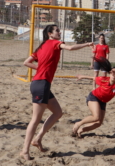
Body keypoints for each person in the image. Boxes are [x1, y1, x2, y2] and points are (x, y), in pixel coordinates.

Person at [20, 25, 93, 161]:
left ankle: (37, 139)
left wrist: (40, 68)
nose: (59, 32)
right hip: (41, 84)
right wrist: (87, 44)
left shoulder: (40, 47)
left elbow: (26, 62)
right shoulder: (55, 43)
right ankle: (24, 151)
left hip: (41, 84)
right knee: (35, 120)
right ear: (50, 34)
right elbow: (70, 48)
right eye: (57, 30)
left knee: (58, 112)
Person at [72, 59, 115, 138]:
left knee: (99, 123)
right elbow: (93, 78)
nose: (114, 74)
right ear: (109, 73)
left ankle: (81, 130)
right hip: (94, 97)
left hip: (103, 101)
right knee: (96, 117)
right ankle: (78, 123)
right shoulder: (104, 79)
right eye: (112, 72)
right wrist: (82, 76)